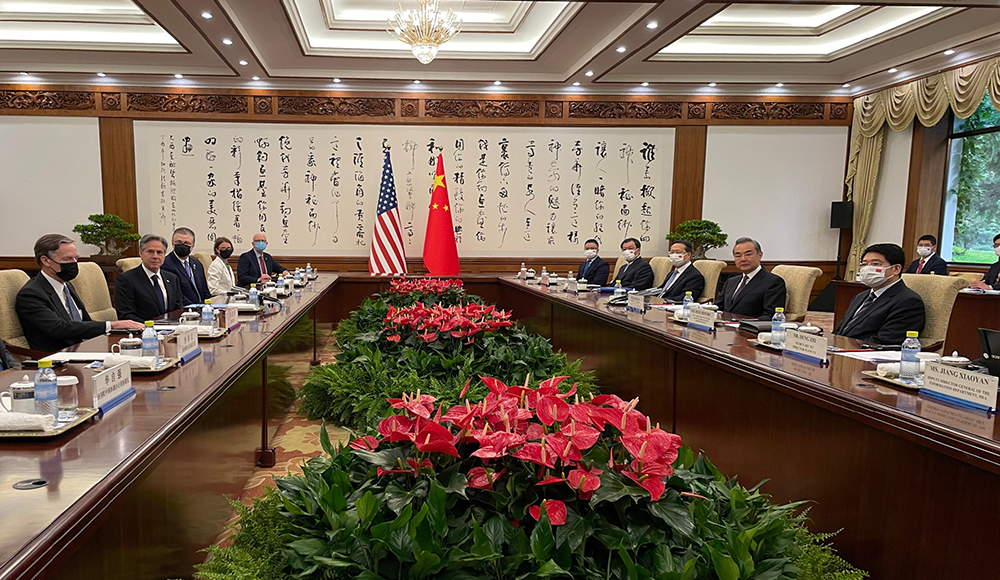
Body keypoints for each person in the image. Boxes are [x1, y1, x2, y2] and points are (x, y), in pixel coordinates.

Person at [16, 234, 144, 352]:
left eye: (76, 258)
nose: (74, 263)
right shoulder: (31, 294)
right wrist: (112, 325)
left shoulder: (67, 285)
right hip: (58, 356)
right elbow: (59, 328)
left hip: (87, 348)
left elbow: (83, 322)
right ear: (46, 260)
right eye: (67, 259)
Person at [834, 243, 925, 345]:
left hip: (865, 352)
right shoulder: (860, 296)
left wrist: (844, 346)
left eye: (875, 264)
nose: (867, 269)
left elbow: (886, 341)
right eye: (864, 264)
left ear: (896, 269)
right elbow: (842, 331)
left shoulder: (908, 302)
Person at [115, 234, 184, 322]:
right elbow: (126, 315)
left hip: (171, 327)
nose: (155, 256)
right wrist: (152, 326)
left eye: (159, 252)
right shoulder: (126, 280)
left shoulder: (172, 279)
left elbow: (178, 310)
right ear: (141, 253)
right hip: (143, 328)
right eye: (150, 252)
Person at [715, 237, 786, 319]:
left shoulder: (773, 282)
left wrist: (743, 323)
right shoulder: (731, 282)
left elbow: (771, 315)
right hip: (725, 326)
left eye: (748, 254)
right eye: (738, 256)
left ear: (760, 255)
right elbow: (717, 307)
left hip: (750, 326)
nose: (743, 259)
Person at [161, 227, 211, 304]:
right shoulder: (166, 264)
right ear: (173, 244)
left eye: (187, 243)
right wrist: (195, 307)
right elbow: (176, 295)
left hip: (202, 307)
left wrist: (210, 305)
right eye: (179, 242)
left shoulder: (197, 264)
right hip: (185, 308)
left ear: (192, 246)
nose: (182, 245)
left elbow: (205, 291)